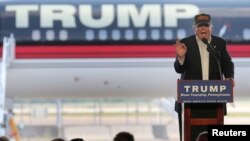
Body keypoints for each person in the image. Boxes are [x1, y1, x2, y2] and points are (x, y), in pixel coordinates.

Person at [174, 13, 235, 141]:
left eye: (206, 26)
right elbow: (179, 69)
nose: (203, 29)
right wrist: (181, 57)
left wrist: (229, 77)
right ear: (194, 28)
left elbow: (227, 63)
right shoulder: (186, 43)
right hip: (193, 101)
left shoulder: (219, 43)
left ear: (211, 28)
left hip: (215, 99)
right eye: (199, 26)